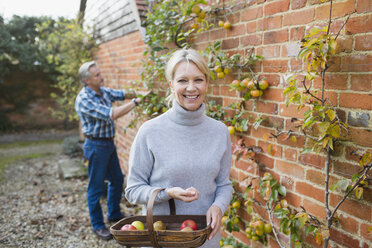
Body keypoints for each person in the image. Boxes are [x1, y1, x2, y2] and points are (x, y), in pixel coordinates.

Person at [125, 49, 233, 247]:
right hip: (162, 239)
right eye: (182, 80)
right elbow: (132, 190)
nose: (191, 88)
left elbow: (224, 184)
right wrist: (167, 193)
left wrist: (218, 206)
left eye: (198, 80)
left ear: (206, 84)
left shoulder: (220, 132)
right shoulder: (150, 131)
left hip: (205, 239)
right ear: (171, 85)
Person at [75, 61, 149, 240]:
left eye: (100, 73)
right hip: (95, 146)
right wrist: (136, 101)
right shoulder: (84, 98)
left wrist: (141, 92)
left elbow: (120, 93)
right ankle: (98, 226)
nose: (102, 77)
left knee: (117, 178)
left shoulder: (102, 91)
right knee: (96, 186)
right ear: (87, 80)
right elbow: (112, 114)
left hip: (108, 144)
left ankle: (114, 214)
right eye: (97, 75)